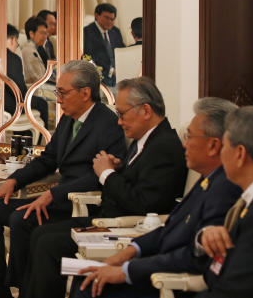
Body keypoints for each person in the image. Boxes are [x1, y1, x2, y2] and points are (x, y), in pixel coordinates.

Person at [21, 77, 188, 298]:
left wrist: (107, 174)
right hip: (110, 219)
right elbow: (138, 181)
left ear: (145, 111)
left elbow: (144, 203)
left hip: (126, 228)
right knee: (40, 234)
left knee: (48, 244)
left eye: (122, 114)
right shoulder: (145, 139)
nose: (119, 122)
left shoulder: (164, 146)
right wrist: (118, 169)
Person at [0, 60, 125, 298]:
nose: (57, 99)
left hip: (80, 206)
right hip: (56, 201)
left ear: (85, 93)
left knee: (20, 218)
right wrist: (14, 181)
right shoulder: (69, 118)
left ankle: (26, 288)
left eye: (62, 92)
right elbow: (48, 159)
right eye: (57, 92)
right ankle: (0, 288)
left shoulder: (109, 125)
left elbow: (98, 176)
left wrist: (53, 193)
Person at [72, 97, 241, 298]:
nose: (184, 144)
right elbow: (170, 226)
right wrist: (132, 250)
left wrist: (126, 271)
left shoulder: (225, 189)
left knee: (87, 286)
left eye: (190, 137)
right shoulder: (209, 179)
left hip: (168, 281)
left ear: (213, 145)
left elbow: (194, 256)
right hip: (154, 262)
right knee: (83, 277)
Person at [194, 105, 253, 296]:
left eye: (225, 146)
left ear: (240, 153)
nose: (221, 154)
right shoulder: (252, 202)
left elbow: (235, 290)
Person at [4, 24, 48, 128]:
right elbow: (20, 90)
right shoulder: (13, 59)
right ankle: (41, 142)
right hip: (12, 105)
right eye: (16, 42)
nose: (16, 45)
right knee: (42, 103)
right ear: (12, 40)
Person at [83, 3, 125, 88]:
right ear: (97, 15)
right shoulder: (86, 32)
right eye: (107, 18)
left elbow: (122, 52)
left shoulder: (115, 31)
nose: (110, 22)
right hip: (100, 77)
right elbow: (89, 57)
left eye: (112, 19)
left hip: (118, 76)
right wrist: (111, 70)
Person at [20, 16, 50, 85]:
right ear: (31, 34)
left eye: (46, 33)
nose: (45, 37)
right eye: (42, 33)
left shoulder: (37, 49)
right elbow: (37, 78)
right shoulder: (28, 51)